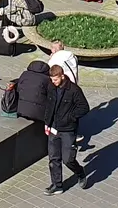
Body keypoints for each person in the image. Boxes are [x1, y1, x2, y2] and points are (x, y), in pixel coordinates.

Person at [43, 65, 91, 195]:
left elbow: (84, 107)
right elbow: (49, 105)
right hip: (53, 128)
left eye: (56, 80)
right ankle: (57, 185)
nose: (54, 82)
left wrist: (70, 117)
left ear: (62, 76)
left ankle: (80, 172)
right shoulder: (51, 87)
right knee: (53, 158)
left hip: (68, 130)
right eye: (52, 80)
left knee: (68, 159)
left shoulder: (73, 90)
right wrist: (47, 123)